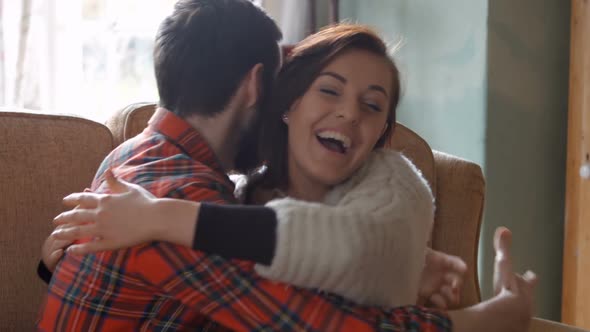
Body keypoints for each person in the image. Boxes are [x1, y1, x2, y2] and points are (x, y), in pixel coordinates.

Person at [39, 2, 537, 331]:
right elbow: (316, 323)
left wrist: (407, 263)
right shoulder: (179, 199)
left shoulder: (132, 158)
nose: (345, 112)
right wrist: (490, 317)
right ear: (261, 88)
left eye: (371, 104)